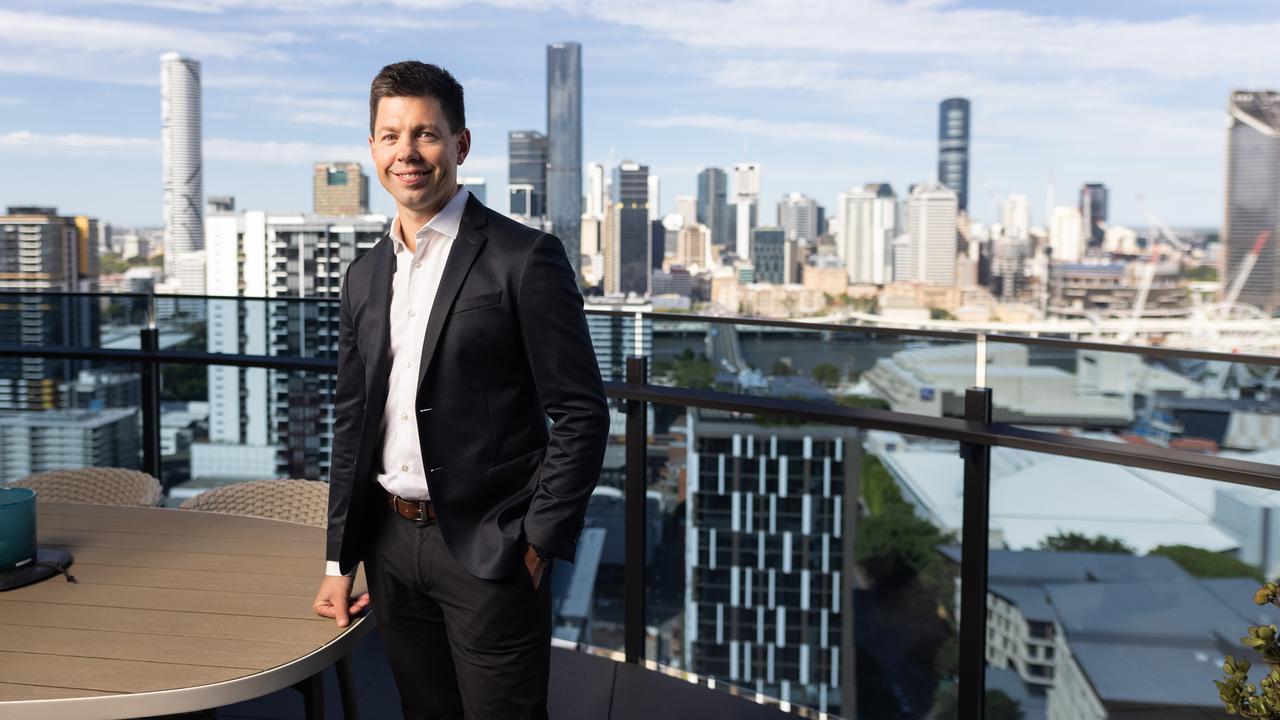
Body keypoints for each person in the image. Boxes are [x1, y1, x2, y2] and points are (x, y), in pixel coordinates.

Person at [312, 60, 609, 720]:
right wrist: (340, 561)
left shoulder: (523, 258)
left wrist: (535, 540)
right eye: (391, 136)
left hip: (489, 549)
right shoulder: (364, 276)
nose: (407, 153)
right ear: (372, 150)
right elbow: (352, 422)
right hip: (390, 548)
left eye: (426, 134)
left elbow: (582, 414)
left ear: (460, 144)